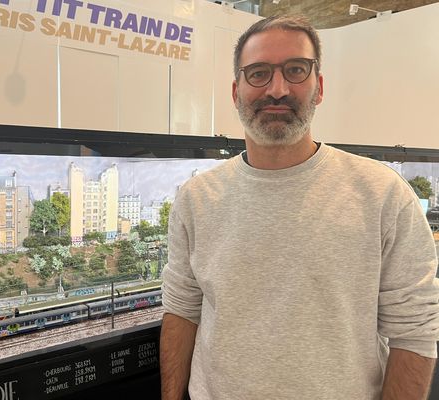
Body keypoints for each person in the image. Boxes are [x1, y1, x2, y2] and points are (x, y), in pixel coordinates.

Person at [160, 15, 439, 400]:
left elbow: (415, 331)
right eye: (258, 73)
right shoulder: (196, 198)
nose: (277, 89)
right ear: (235, 91)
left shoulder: (383, 194)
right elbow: (181, 311)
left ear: (318, 86)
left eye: (295, 70)